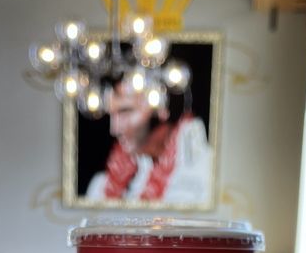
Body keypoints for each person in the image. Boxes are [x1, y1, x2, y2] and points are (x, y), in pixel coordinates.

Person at [85, 80, 213, 204]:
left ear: (162, 108)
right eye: (112, 114)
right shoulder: (103, 185)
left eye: (125, 112)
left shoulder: (209, 172)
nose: (115, 129)